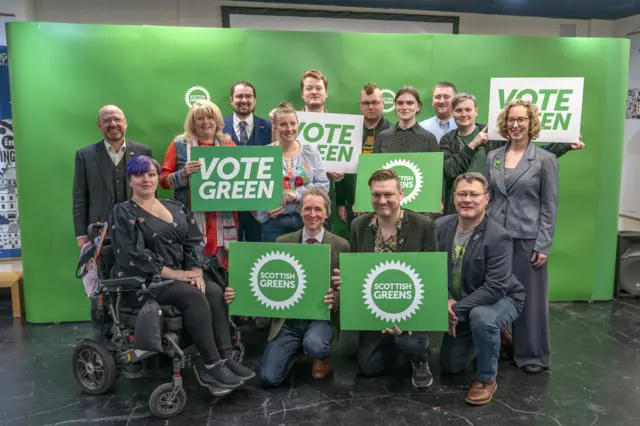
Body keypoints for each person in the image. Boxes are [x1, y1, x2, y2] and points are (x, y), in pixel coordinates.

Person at [108, 155, 255, 389]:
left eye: (151, 174)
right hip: (145, 283)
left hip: (183, 274)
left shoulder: (174, 206)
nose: (146, 180)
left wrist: (196, 270)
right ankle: (211, 365)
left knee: (215, 291)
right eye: (139, 175)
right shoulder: (123, 212)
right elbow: (131, 255)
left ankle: (226, 356)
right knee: (193, 295)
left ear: (157, 178)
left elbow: (194, 240)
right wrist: (177, 275)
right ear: (130, 181)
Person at [225, 187, 349, 387]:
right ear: (300, 211)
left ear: (327, 213)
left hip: (320, 317)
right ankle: (294, 349)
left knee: (315, 345)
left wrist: (335, 298)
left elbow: (348, 288)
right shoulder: (283, 241)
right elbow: (267, 279)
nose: (312, 214)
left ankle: (321, 355)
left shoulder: (341, 245)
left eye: (318, 209)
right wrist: (238, 294)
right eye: (307, 209)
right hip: (288, 320)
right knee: (268, 378)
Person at [331, 169, 438, 389]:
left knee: (409, 341)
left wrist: (411, 315)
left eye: (388, 194)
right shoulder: (359, 225)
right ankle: (392, 344)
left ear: (401, 193)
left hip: (411, 308)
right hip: (374, 307)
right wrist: (346, 279)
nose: (382, 200)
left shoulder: (423, 225)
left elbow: (431, 276)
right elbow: (356, 266)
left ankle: (419, 357)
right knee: (368, 368)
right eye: (376, 195)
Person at [486, 99, 561, 374]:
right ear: (505, 124)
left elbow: (549, 205)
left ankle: (532, 355)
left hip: (527, 239)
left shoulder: (545, 159)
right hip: (495, 238)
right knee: (493, 295)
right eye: (511, 120)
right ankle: (502, 345)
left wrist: (543, 244)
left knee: (529, 300)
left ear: (531, 124)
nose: (516, 125)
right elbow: (490, 198)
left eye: (522, 120)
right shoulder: (492, 157)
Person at [436, 172, 525, 405]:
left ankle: (487, 378)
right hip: (459, 300)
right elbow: (430, 270)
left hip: (502, 297)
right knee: (450, 366)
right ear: (453, 197)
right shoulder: (439, 227)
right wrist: (445, 299)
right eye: (462, 194)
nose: (468, 200)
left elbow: (495, 288)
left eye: (474, 195)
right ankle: (495, 335)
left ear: (486, 199)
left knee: (482, 317)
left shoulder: (499, 237)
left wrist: (455, 309)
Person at [440, 93, 584, 216]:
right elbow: (448, 170)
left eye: (468, 110)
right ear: (452, 113)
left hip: (489, 209)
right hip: (458, 208)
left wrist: (564, 145)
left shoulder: (493, 135)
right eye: (458, 110)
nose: (463, 114)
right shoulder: (447, 140)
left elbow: (527, 156)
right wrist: (473, 145)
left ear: (476, 111)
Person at [159, 100, 237, 271]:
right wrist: (183, 174)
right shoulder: (179, 144)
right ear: (192, 123)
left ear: (217, 120)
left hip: (221, 219)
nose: (205, 122)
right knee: (194, 267)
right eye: (199, 118)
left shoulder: (228, 145)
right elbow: (163, 180)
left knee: (222, 272)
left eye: (210, 117)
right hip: (190, 218)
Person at [73, 105, 152, 248]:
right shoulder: (85, 156)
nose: (113, 124)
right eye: (106, 120)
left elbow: (151, 194)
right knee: (104, 269)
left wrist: (152, 226)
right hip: (100, 232)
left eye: (117, 119)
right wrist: (81, 234)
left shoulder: (142, 151)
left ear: (125, 123)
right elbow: (79, 197)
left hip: (138, 228)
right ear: (99, 125)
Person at [256, 102, 330, 242]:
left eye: (292, 123)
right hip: (274, 223)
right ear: (275, 127)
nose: (289, 129)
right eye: (283, 124)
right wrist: (265, 211)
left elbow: (323, 185)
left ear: (298, 125)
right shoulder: (265, 154)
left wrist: (297, 194)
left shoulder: (311, 151)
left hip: (307, 221)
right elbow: (253, 191)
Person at [336, 83, 394, 230]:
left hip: (384, 204)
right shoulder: (349, 132)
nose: (370, 107)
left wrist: (364, 200)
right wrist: (341, 202)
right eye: (366, 103)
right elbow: (341, 165)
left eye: (374, 102)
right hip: (352, 206)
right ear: (360, 105)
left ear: (382, 103)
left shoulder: (393, 132)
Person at [223, 81, 272, 243]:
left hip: (259, 205)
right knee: (227, 253)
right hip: (228, 205)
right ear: (231, 100)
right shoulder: (218, 128)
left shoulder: (269, 128)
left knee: (256, 252)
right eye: (239, 96)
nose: (244, 100)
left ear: (255, 100)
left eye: (248, 96)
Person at [373, 85, 439, 154]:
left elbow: (435, 164)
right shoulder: (382, 137)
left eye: (410, 103)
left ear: (418, 106)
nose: (404, 107)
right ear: (395, 106)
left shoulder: (429, 139)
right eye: (400, 103)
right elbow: (374, 164)